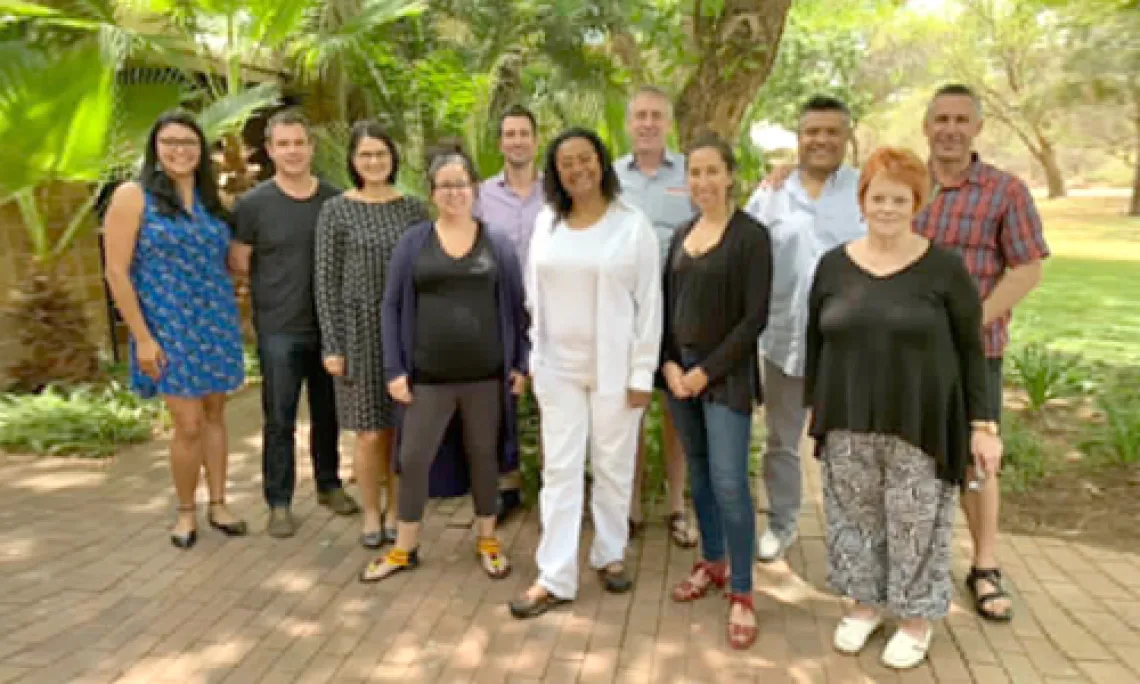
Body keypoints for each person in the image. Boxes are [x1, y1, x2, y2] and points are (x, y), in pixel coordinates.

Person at [804, 147, 1002, 669]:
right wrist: (814, 406)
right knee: (854, 518)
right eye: (878, 198)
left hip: (921, 419)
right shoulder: (833, 265)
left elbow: (971, 351)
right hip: (847, 415)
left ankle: (916, 620)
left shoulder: (944, 269)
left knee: (915, 523)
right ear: (862, 201)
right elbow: (816, 340)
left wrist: (983, 425)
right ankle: (864, 605)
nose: (887, 208)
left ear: (917, 204)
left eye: (899, 199)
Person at [509, 128, 662, 619]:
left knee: (614, 466)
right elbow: (533, 295)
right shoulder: (547, 223)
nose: (578, 169)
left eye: (585, 158)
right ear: (556, 173)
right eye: (566, 163)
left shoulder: (631, 225)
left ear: (601, 161)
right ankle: (554, 576)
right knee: (560, 471)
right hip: (559, 369)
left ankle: (609, 553)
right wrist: (536, 358)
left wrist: (642, 374)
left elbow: (650, 304)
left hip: (616, 368)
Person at [359, 144, 528, 583]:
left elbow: (517, 309)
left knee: (484, 458)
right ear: (432, 192)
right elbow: (391, 306)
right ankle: (404, 548)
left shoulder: (497, 243)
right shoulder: (413, 242)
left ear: (475, 189)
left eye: (461, 184)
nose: (454, 193)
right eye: (445, 185)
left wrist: (520, 364)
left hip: (485, 377)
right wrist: (394, 370)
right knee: (413, 458)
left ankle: (488, 540)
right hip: (427, 379)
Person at [915, 83, 1048, 623]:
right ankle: (916, 561)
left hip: (976, 353)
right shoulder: (907, 183)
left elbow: (1028, 268)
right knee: (913, 456)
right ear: (926, 126)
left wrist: (971, 323)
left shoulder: (1005, 192)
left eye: (960, 120)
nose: (950, 129)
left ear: (976, 128)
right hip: (908, 353)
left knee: (977, 459)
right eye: (941, 119)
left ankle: (985, 566)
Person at [103, 110, 247, 549]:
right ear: (155, 148)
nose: (179, 150)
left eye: (188, 142)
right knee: (187, 424)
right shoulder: (134, 196)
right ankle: (186, 511)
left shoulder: (210, 199)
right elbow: (116, 271)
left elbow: (229, 262)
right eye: (170, 142)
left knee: (216, 416)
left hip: (215, 320)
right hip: (167, 326)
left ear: (201, 150)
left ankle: (219, 503)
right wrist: (143, 338)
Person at [743, 95, 866, 562]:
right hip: (783, 340)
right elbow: (746, 254)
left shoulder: (864, 190)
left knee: (848, 443)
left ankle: (851, 532)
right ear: (799, 137)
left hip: (847, 347)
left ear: (846, 137)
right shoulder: (771, 194)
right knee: (782, 441)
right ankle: (781, 523)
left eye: (832, 131)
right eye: (812, 131)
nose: (821, 140)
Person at [663, 134, 772, 650]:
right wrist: (669, 364)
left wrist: (705, 372)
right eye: (695, 172)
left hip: (724, 377)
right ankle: (712, 561)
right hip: (678, 377)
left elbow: (754, 319)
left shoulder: (751, 237)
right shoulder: (681, 235)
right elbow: (665, 307)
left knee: (730, 481)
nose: (703, 181)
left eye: (712, 171)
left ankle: (743, 591)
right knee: (700, 474)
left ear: (730, 176)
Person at [230, 109, 358, 539]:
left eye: (299, 143)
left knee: (328, 413)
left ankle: (328, 484)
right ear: (269, 150)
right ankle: (280, 501)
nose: (292, 151)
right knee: (279, 418)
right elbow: (240, 262)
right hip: (279, 328)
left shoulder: (335, 202)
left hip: (328, 327)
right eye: (283, 144)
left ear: (311, 147)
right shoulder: (253, 205)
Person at [315, 121, 429, 548]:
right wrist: (333, 344)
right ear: (353, 160)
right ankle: (369, 512)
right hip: (357, 331)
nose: (374, 161)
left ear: (392, 158)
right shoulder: (336, 210)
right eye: (365, 154)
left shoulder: (413, 210)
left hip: (405, 332)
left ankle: (398, 510)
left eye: (381, 153)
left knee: (400, 430)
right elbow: (325, 281)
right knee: (368, 432)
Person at [615, 85, 697, 548]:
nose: (647, 123)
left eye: (655, 116)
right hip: (625, 312)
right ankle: (629, 506)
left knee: (675, 410)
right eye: (640, 115)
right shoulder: (611, 177)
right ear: (629, 123)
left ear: (668, 123)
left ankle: (676, 506)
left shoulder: (689, 173)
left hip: (679, 308)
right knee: (631, 407)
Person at [471, 104, 544, 520]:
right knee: (501, 400)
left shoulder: (555, 192)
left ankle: (554, 486)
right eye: (510, 134)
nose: (517, 141)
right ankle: (508, 485)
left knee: (549, 398)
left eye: (523, 133)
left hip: (549, 308)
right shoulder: (481, 196)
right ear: (500, 143)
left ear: (536, 140)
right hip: (498, 308)